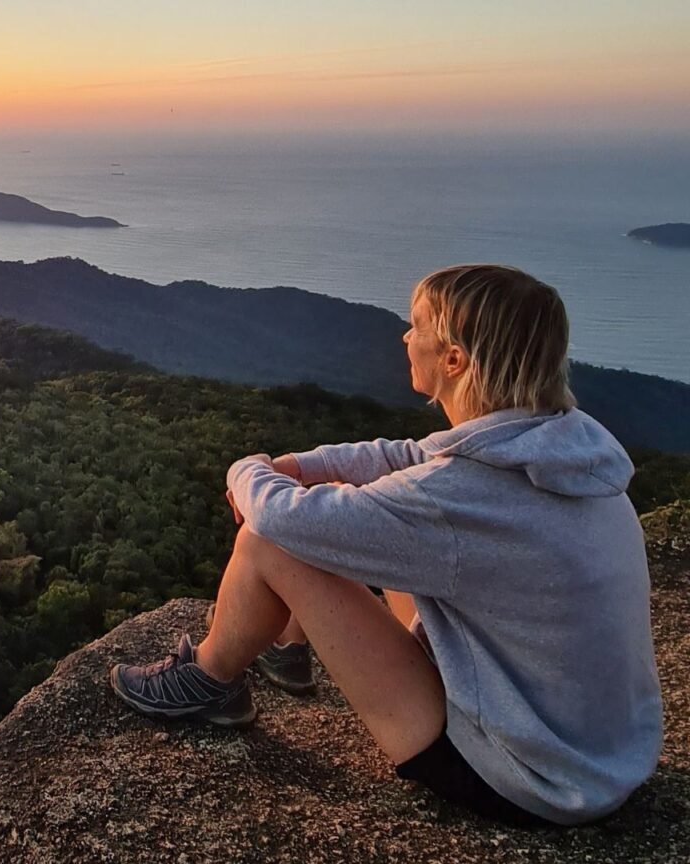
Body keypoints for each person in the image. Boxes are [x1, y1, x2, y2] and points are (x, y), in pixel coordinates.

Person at [108, 264, 663, 827]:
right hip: (599, 754)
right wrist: (304, 465)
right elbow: (412, 459)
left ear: (454, 359)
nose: (404, 336)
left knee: (268, 540)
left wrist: (244, 470)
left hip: (526, 777)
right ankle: (285, 649)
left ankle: (208, 680)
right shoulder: (561, 451)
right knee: (362, 510)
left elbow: (281, 518)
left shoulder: (454, 500)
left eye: (417, 325)